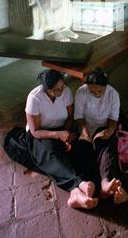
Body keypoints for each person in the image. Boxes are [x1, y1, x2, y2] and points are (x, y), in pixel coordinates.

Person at [6, 69, 98, 209]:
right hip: (43, 134)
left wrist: (65, 134)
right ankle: (77, 186)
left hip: (62, 129)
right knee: (50, 154)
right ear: (46, 89)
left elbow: (69, 117)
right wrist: (58, 136)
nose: (61, 91)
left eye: (62, 87)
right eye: (56, 90)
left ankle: (76, 194)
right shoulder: (35, 98)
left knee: (82, 149)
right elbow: (35, 131)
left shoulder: (66, 92)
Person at [74, 67, 128, 205]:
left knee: (108, 149)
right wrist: (84, 132)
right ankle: (87, 187)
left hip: (103, 129)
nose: (97, 94)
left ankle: (106, 183)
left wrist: (110, 130)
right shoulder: (81, 92)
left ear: (106, 87)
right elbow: (78, 117)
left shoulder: (113, 94)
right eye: (93, 92)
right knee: (83, 153)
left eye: (100, 91)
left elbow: (113, 119)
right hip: (86, 129)